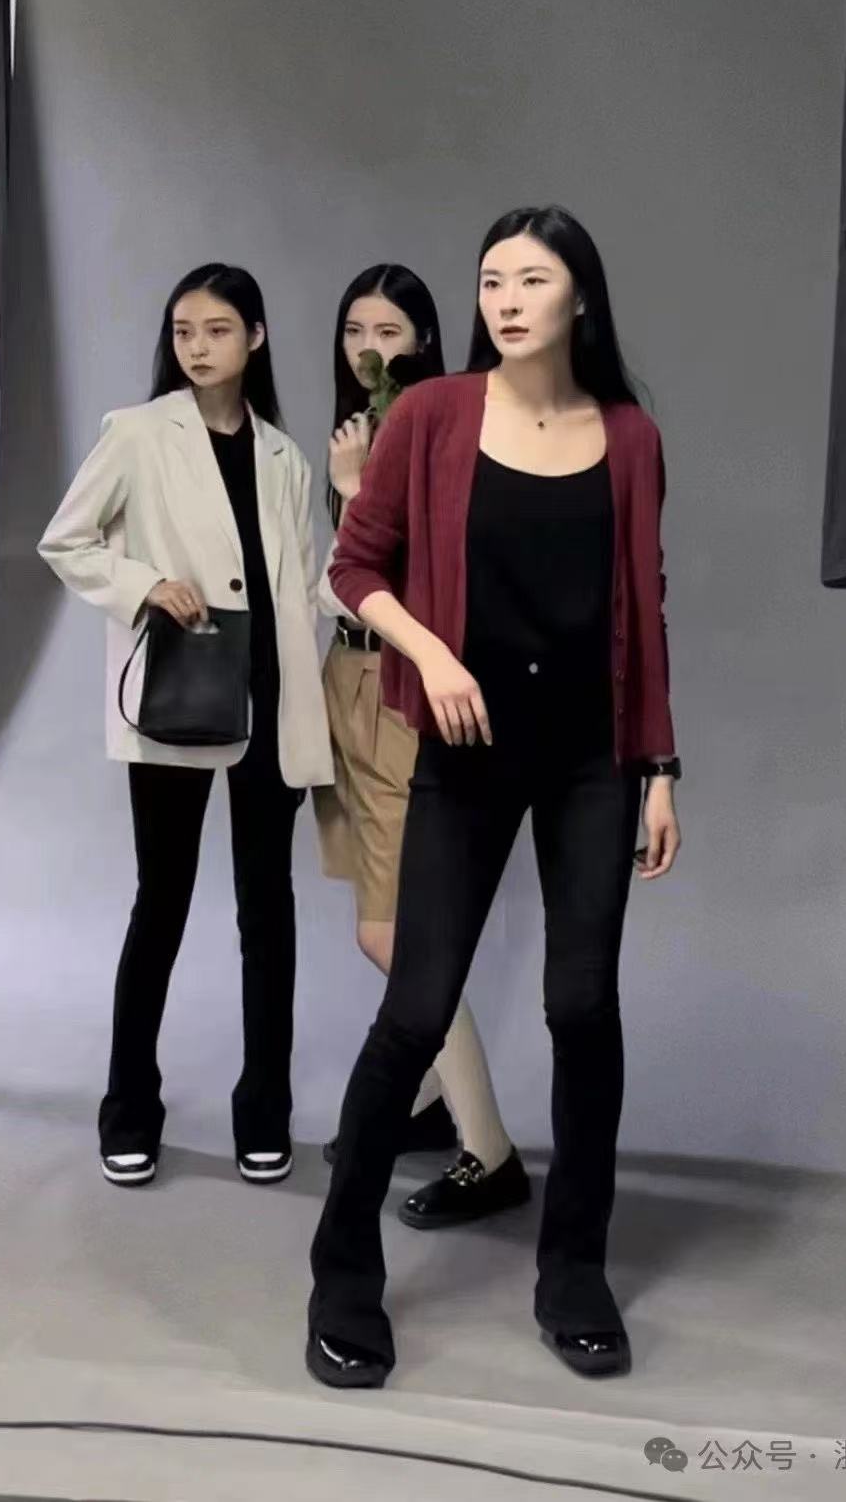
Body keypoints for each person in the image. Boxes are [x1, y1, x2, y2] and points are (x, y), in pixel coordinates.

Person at [306, 207, 681, 1390]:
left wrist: (658, 769)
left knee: (583, 1006)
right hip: (465, 750)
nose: (507, 300)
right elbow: (353, 565)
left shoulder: (628, 436)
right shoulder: (431, 414)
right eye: (490, 281)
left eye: (531, 278)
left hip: (590, 762)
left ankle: (573, 1269)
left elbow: (642, 608)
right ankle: (342, 1271)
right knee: (415, 1007)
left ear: (580, 296)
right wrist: (433, 656)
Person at [38, 263, 333, 1189]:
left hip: (272, 701)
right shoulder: (137, 432)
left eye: (216, 330)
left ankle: (265, 1112)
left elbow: (305, 586)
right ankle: (129, 1111)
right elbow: (66, 540)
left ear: (256, 337)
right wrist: (143, 585)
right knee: (159, 903)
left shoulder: (285, 456)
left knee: (268, 913)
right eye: (182, 331)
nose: (196, 347)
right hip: (181, 693)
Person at [315, 264, 529, 1229]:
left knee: (396, 935)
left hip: (402, 687)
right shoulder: (359, 430)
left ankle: (490, 1151)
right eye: (355, 329)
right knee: (385, 922)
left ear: (426, 344)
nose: (370, 348)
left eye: (389, 332)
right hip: (346, 684)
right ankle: (433, 1104)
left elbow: (420, 577)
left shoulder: (440, 429)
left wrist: (355, 490)